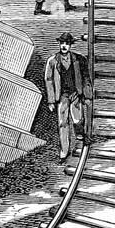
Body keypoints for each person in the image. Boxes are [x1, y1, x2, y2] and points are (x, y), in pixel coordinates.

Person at [46, 32, 93, 162]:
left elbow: (86, 78)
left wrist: (87, 94)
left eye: (67, 43)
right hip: (62, 97)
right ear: (59, 44)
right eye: (62, 43)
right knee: (63, 123)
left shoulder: (79, 60)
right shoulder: (52, 61)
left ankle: (80, 132)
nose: (64, 46)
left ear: (71, 45)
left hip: (75, 94)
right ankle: (64, 151)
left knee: (78, 119)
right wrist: (51, 100)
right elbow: (48, 80)